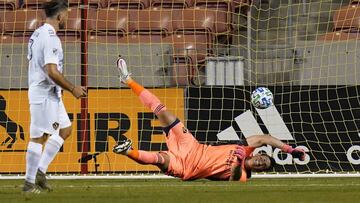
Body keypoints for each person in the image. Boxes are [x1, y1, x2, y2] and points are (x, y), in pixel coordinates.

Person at [113, 57, 306, 181]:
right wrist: (290, 150)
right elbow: (265, 138)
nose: (261, 162)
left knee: (160, 159)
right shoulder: (245, 148)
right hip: (193, 146)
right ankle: (128, 80)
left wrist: (238, 162)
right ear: (256, 154)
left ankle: (128, 151)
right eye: (263, 158)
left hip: (188, 168)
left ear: (260, 171)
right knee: (163, 111)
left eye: (263, 165)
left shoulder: (244, 176)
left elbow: (234, 179)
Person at [23, 0, 87, 193]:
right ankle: (28, 183)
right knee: (39, 137)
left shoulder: (38, 32)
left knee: (65, 130)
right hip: (43, 94)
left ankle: (40, 172)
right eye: (66, 15)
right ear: (60, 16)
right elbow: (51, 71)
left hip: (52, 93)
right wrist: (73, 88)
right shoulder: (50, 37)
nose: (68, 18)